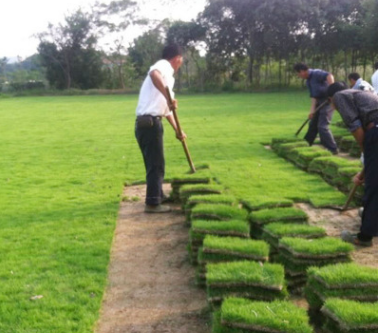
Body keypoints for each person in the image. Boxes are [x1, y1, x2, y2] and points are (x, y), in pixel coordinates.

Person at [135, 44, 186, 213]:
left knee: (154, 163)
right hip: (149, 124)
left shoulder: (168, 79)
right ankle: (152, 204)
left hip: (146, 123)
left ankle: (158, 195)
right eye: (181, 59)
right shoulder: (163, 66)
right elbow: (153, 73)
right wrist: (167, 96)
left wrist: (178, 130)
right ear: (177, 58)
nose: (181, 62)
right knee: (156, 164)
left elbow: (167, 110)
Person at [327, 82, 378, 247]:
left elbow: (356, 128)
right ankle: (372, 222)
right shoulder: (361, 95)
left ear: (330, 99)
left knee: (373, 189)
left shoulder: (339, 96)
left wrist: (367, 154)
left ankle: (364, 237)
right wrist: (364, 172)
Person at [293, 63, 338, 154]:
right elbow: (314, 97)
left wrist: (331, 91)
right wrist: (312, 111)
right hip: (319, 101)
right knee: (313, 123)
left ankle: (332, 148)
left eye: (298, 74)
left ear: (302, 71)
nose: (298, 76)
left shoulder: (316, 73)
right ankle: (306, 143)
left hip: (328, 101)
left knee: (322, 126)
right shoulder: (308, 81)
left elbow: (329, 75)